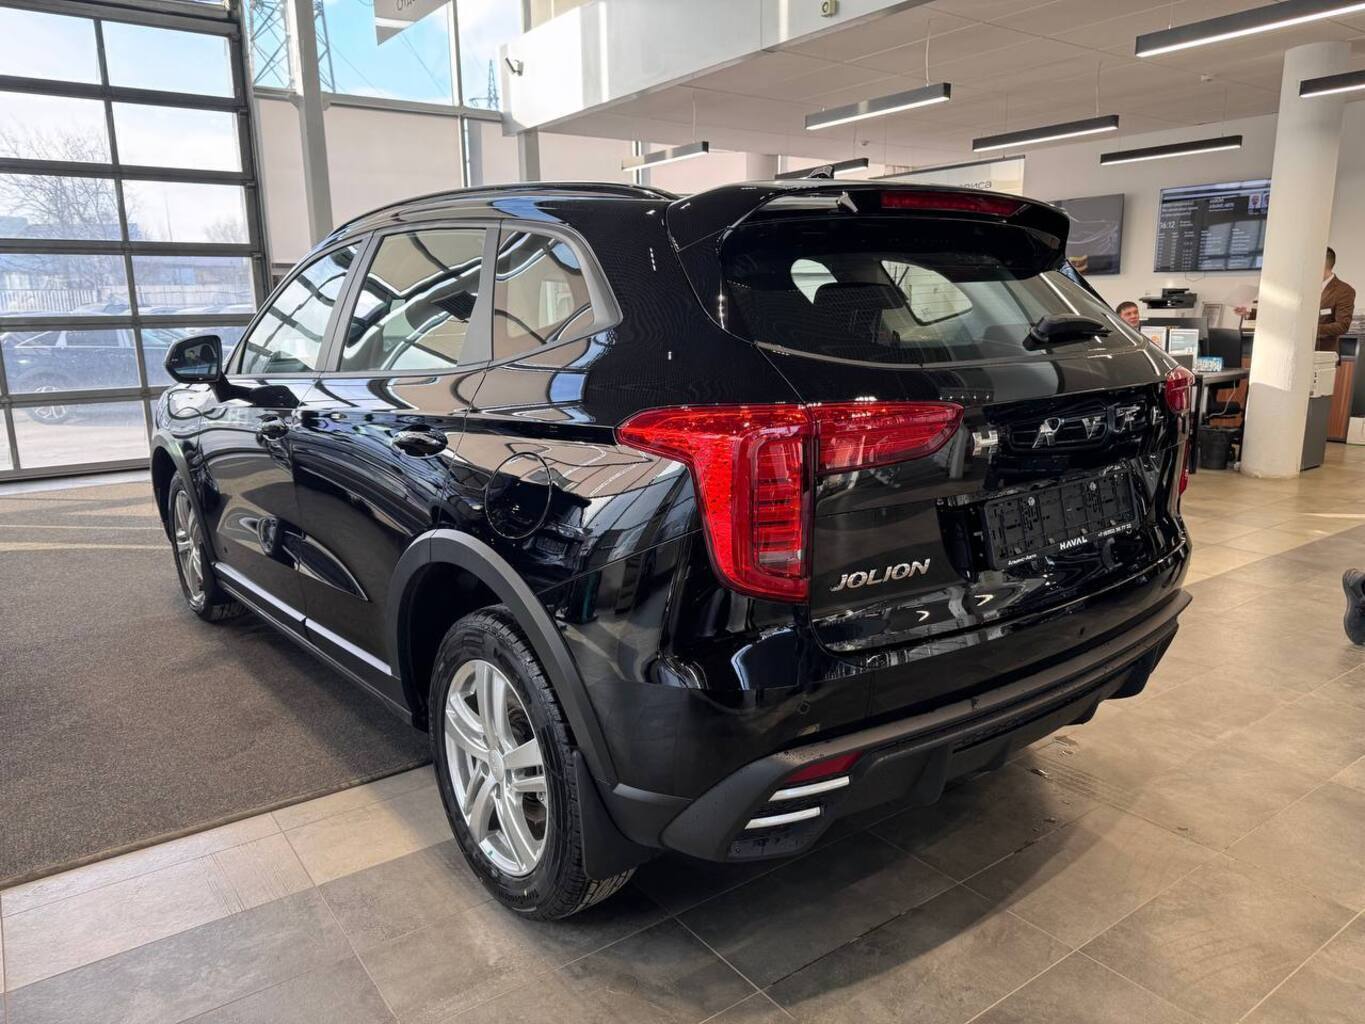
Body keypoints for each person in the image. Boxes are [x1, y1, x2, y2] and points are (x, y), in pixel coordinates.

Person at [1318, 247, 1356, 352]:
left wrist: (1312, 329)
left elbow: (1342, 325)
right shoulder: (1308, 288)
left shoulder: (1344, 290)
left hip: (1324, 352)